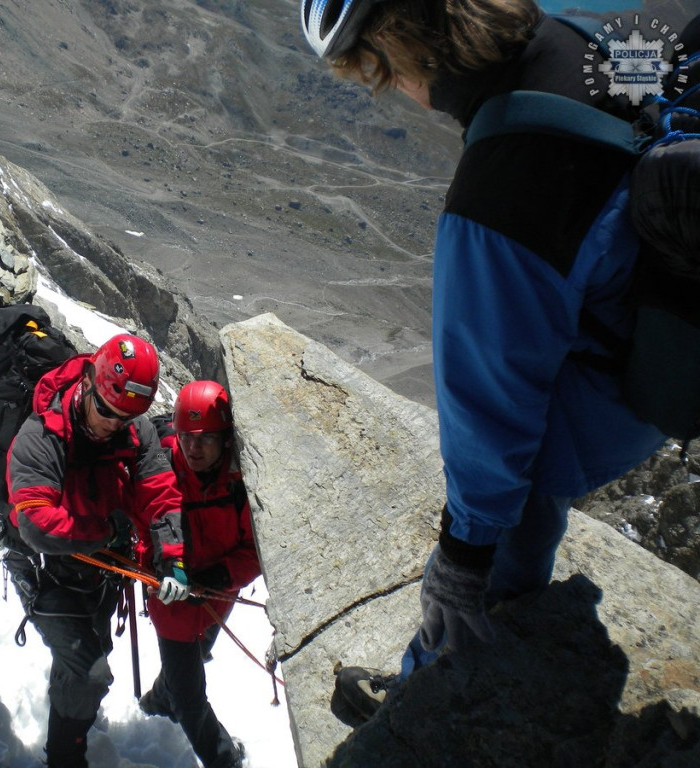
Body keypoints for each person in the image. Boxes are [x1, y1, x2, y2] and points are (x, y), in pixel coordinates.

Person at [299, 0, 684, 723]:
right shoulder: (582, 31)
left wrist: (463, 555)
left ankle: (427, 702)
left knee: (510, 500)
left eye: (378, 76)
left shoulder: (502, 194)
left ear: (394, 55)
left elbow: (490, 405)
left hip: (644, 366)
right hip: (670, 299)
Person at [4, 333, 192, 767]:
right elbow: (36, 522)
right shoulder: (41, 434)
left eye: (125, 418)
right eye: (106, 411)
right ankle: (65, 758)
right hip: (45, 568)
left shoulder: (133, 428)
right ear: (88, 382)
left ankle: (71, 715)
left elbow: (161, 494)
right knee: (90, 671)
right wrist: (105, 532)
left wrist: (174, 556)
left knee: (90, 659)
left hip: (99, 570)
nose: (113, 424)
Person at [138, 380, 261, 768]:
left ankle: (158, 700)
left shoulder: (242, 483)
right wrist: (158, 565)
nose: (193, 448)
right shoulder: (161, 466)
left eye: (205, 438)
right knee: (191, 701)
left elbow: (257, 552)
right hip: (171, 603)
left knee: (194, 658)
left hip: (216, 598)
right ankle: (225, 760)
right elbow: (144, 524)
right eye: (187, 437)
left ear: (225, 439)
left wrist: (221, 577)